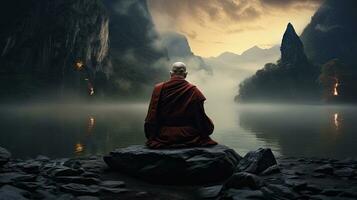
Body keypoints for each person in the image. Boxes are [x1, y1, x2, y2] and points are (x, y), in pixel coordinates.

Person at [144, 62, 217, 148]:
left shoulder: (158, 89)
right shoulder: (194, 91)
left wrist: (151, 134)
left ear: (171, 73)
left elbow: (151, 117)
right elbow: (200, 118)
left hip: (163, 135)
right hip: (188, 135)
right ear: (185, 74)